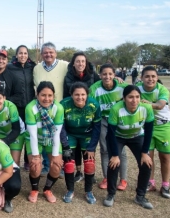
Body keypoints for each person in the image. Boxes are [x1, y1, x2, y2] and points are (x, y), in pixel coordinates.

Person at [103, 85, 154, 209]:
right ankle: (111, 194)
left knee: (146, 164)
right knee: (114, 164)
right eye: (130, 97)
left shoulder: (146, 108)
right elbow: (110, 133)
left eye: (137, 97)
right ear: (124, 98)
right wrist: (115, 155)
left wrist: (144, 153)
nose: (134, 100)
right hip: (117, 137)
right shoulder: (116, 109)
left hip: (136, 136)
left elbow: (148, 132)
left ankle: (140, 196)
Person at [137, 66, 170, 198]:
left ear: (157, 78)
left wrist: (146, 103)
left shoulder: (162, 89)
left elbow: (160, 105)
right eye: (147, 76)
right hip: (147, 127)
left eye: (153, 76)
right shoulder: (138, 87)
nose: (150, 79)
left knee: (165, 157)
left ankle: (165, 185)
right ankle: (150, 182)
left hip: (164, 126)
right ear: (141, 78)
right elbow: (128, 92)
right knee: (148, 157)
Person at [89, 64, 129, 190]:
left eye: (110, 74)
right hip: (102, 121)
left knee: (120, 150)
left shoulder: (123, 87)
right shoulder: (94, 88)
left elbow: (135, 93)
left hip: (118, 121)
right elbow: (91, 107)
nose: (107, 76)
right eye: (104, 74)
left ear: (114, 75)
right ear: (100, 75)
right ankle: (107, 178)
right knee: (105, 149)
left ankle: (123, 180)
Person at [60, 82, 101, 204]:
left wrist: (92, 147)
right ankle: (70, 190)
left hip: (87, 135)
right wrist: (65, 145)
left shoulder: (94, 105)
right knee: (68, 163)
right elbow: (61, 127)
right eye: (76, 94)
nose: (80, 97)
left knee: (89, 163)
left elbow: (97, 127)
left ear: (87, 95)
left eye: (83, 94)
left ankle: (88, 191)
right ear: (71, 95)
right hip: (70, 134)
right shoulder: (64, 104)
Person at [63, 52, 100, 182]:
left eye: (83, 61)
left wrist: (117, 79)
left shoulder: (92, 75)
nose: (80, 64)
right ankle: (78, 172)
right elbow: (65, 94)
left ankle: (90, 173)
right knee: (75, 147)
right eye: (78, 61)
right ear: (73, 63)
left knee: (87, 145)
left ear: (86, 63)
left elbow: (102, 83)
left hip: (87, 111)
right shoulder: (68, 76)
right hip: (73, 111)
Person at [25, 81, 64, 203]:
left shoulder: (59, 108)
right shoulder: (30, 108)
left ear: (54, 96)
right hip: (34, 139)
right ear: (37, 95)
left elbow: (57, 133)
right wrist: (36, 157)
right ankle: (34, 189)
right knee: (35, 167)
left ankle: (47, 189)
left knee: (56, 167)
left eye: (50, 95)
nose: (46, 99)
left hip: (52, 139)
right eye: (43, 95)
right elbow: (32, 135)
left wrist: (56, 155)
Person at [33, 42, 68, 177]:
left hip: (58, 108)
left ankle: (60, 164)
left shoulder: (64, 65)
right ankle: (47, 165)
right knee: (44, 137)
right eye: (45, 52)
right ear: (41, 54)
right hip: (41, 108)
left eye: (51, 52)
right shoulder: (37, 68)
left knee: (59, 137)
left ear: (56, 53)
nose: (48, 54)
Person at [6, 45, 36, 171]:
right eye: (20, 53)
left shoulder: (32, 67)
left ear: (27, 55)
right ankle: (11, 159)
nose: (23, 55)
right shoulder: (10, 68)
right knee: (17, 132)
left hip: (30, 106)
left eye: (25, 53)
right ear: (16, 55)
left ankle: (28, 161)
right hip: (17, 106)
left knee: (30, 132)